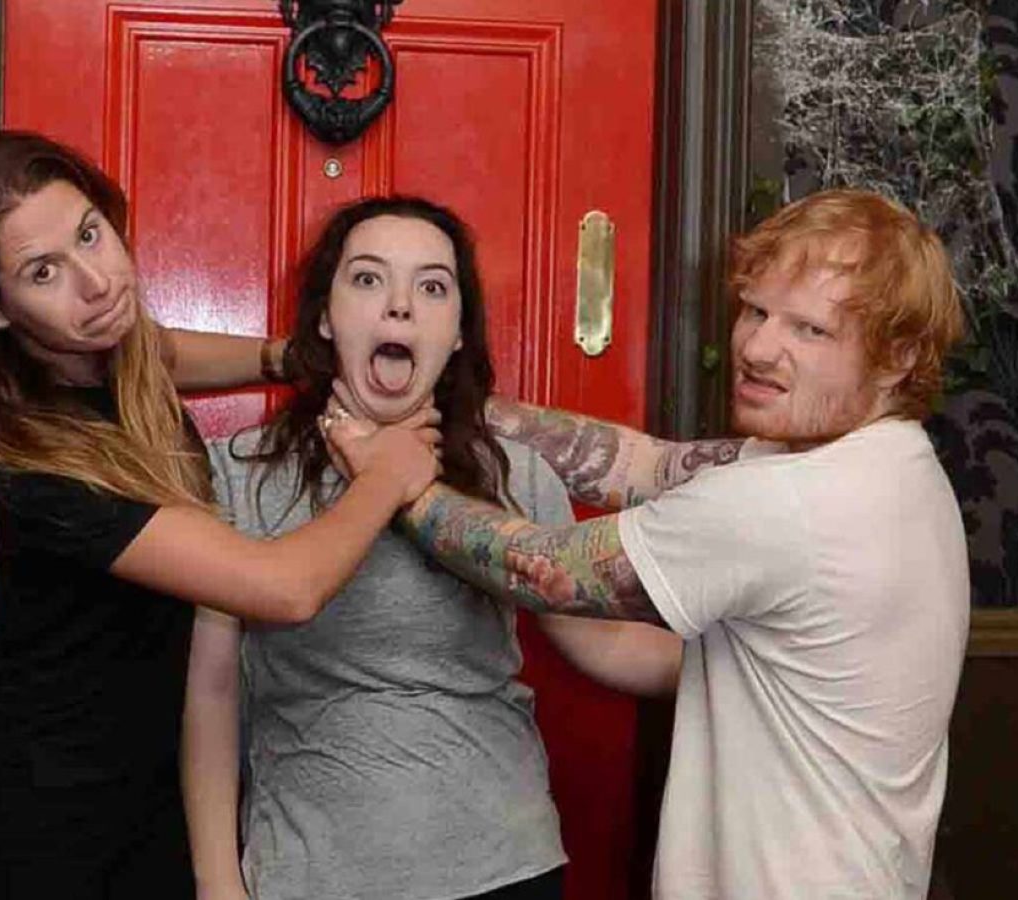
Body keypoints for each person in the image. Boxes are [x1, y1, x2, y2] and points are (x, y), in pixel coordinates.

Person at [327, 189, 970, 898]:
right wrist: (462, 406)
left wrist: (398, 482)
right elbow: (646, 465)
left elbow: (542, 570)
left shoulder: (791, 504)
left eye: (809, 331)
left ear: (898, 357)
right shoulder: (892, 464)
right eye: (756, 310)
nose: (755, 348)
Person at [0, 130, 438, 900]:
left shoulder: (85, 352)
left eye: (91, 233)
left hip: (136, 787)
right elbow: (282, 588)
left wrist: (279, 358)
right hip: (35, 836)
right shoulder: (27, 461)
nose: (98, 283)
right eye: (43, 271)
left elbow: (149, 349)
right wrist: (385, 478)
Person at [186, 196, 699, 900]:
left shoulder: (514, 475)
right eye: (368, 280)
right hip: (308, 875)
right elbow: (212, 694)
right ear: (326, 317)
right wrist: (218, 882)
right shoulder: (241, 473)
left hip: (503, 865)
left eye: (432, 287)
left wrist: (761, 665)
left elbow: (605, 646)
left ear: (458, 332)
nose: (400, 307)